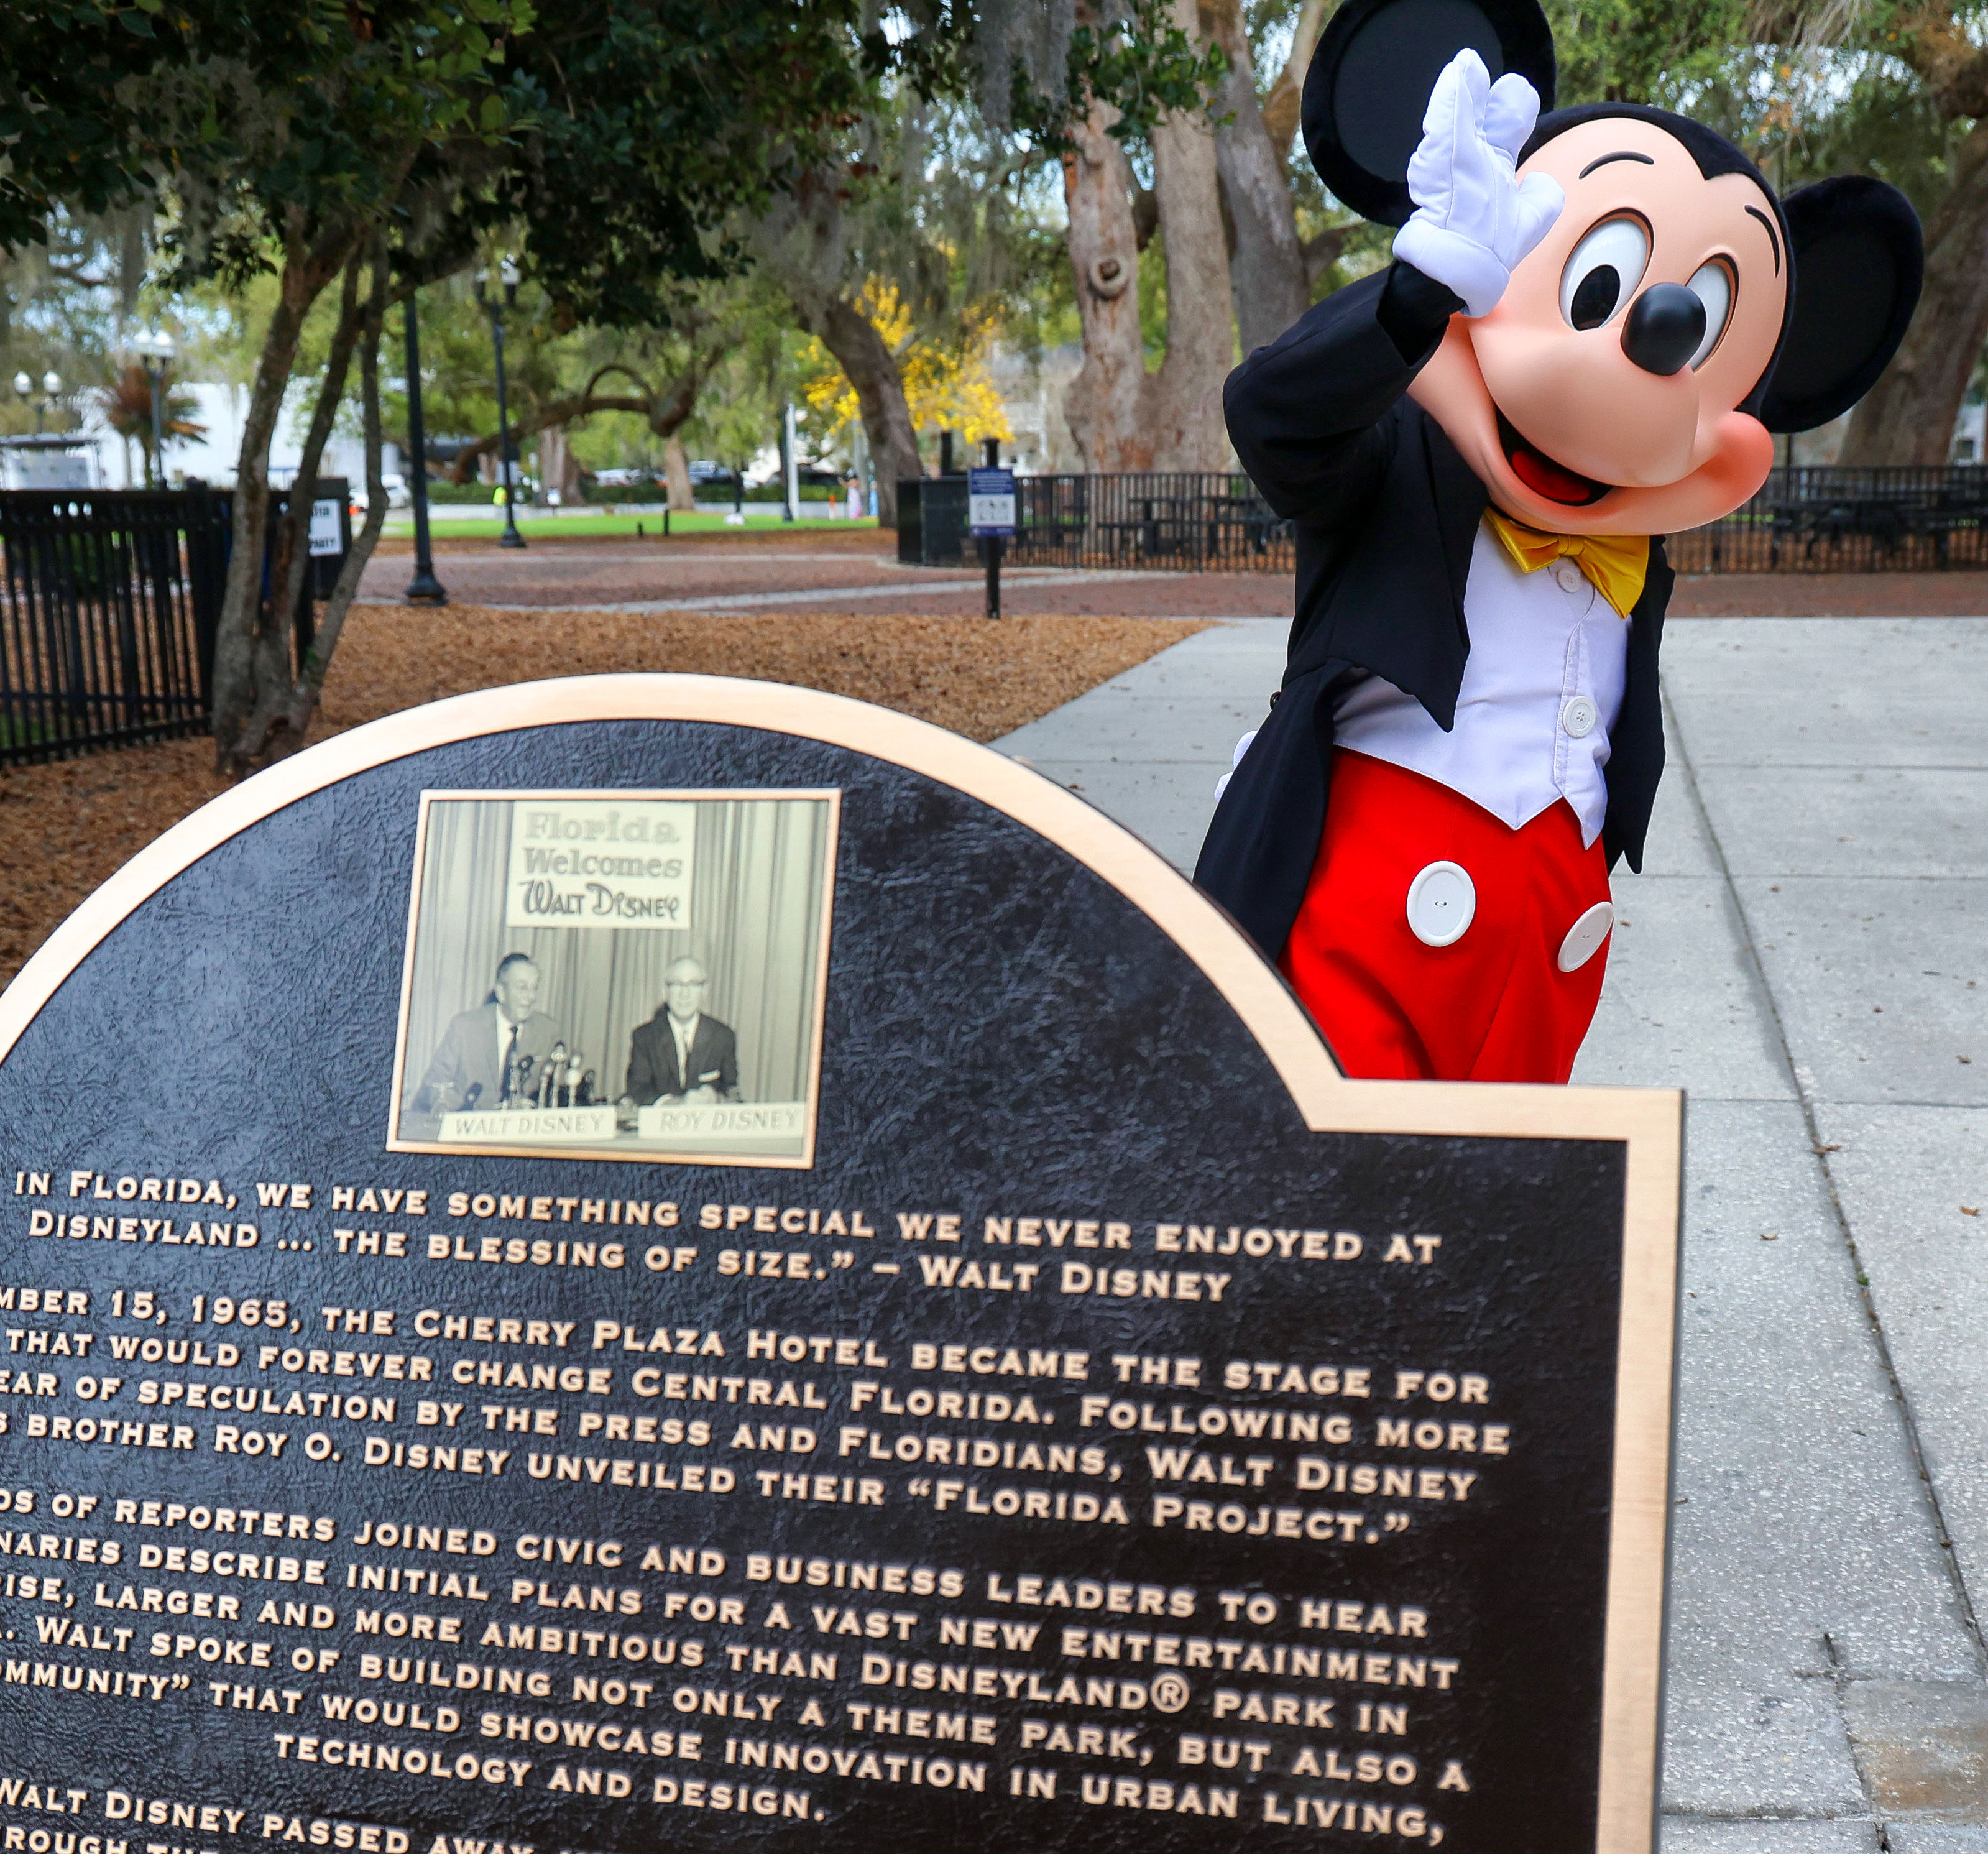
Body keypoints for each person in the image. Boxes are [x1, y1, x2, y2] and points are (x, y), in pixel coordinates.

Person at [1198, 0, 1920, 1084]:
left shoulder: (1639, 534)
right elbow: (1274, 417)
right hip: (1367, 910)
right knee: (1349, 1186)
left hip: (1551, 925)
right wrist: (1411, 301)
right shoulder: (1394, 456)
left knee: (1510, 1196)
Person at [412, 952, 566, 1114]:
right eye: (522, 988)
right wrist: (446, 1113)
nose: (531, 997)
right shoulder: (465, 1027)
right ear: (501, 992)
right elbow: (434, 1083)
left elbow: (554, 1091)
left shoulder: (548, 1030)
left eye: (534, 988)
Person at [622, 957, 740, 1106]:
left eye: (692, 985)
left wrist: (716, 1099)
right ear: (665, 991)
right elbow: (637, 1089)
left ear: (704, 991)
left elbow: (732, 1090)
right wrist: (675, 1104)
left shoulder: (723, 1036)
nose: (684, 994)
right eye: (677, 984)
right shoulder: (644, 1037)